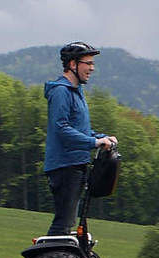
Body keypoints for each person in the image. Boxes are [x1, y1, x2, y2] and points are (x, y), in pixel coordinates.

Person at [44, 42, 116, 235]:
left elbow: (80, 130)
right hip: (65, 166)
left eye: (93, 64)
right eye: (88, 63)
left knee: (69, 224)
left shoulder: (77, 92)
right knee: (63, 224)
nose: (92, 68)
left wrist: (102, 137)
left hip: (76, 164)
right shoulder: (61, 91)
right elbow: (62, 129)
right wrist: (93, 143)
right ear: (73, 64)